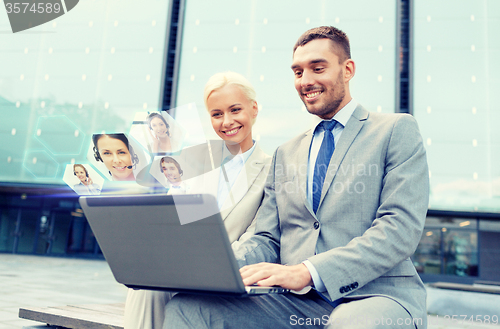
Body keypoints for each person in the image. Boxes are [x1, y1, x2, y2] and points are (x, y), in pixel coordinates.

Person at [163, 26, 430, 329]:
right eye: (298, 72)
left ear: (348, 69)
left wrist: (307, 271)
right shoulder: (285, 153)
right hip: (296, 302)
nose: (306, 81)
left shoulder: (395, 131)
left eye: (318, 68)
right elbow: (266, 238)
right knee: (188, 307)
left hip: (377, 297)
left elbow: (399, 230)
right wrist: (210, 265)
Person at [124, 71, 272, 329]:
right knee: (146, 287)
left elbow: (260, 236)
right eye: (217, 114)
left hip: (229, 274)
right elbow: (170, 221)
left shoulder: (273, 169)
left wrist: (205, 265)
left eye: (235, 110)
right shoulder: (191, 162)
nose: (227, 121)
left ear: (254, 109)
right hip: (179, 267)